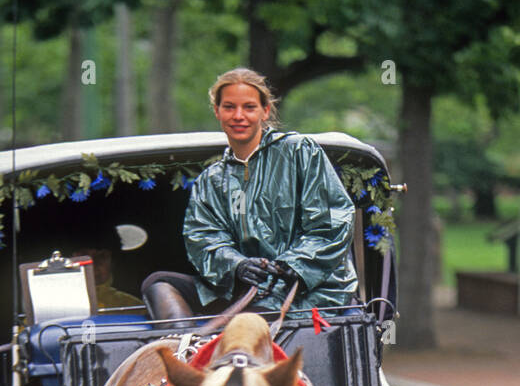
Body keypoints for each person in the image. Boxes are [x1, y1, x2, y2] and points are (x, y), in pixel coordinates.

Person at [141, 67, 358, 321]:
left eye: (249, 107)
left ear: (265, 111)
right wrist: (237, 265)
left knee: (248, 324)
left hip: (307, 288)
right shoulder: (211, 181)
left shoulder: (300, 153)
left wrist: (291, 264)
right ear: (217, 111)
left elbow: (332, 221)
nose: (239, 116)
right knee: (158, 284)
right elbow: (203, 238)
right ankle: (183, 353)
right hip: (247, 288)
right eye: (229, 107)